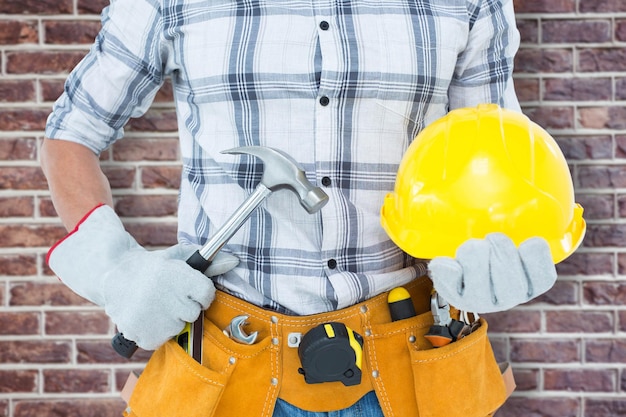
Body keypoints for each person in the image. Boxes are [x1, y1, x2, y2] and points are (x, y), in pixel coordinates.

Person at [40, 0, 558, 416]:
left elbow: (495, 153)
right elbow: (70, 136)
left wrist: (497, 258)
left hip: (415, 356)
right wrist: (117, 270)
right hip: (225, 361)